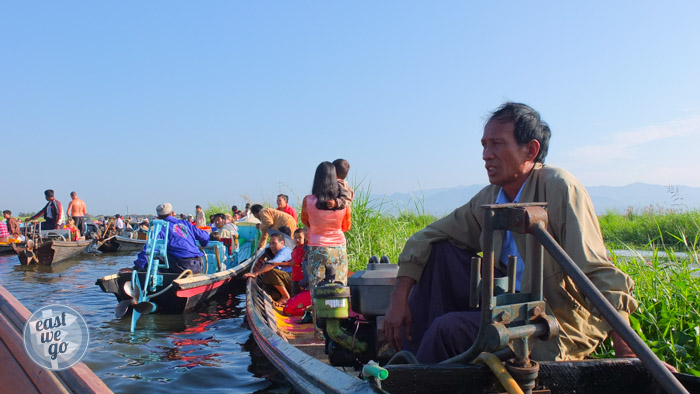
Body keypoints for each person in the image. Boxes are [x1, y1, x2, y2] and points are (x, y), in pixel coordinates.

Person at [383, 102, 639, 364]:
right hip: (505, 310)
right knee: (441, 251)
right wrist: (398, 300)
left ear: (531, 149)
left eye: (497, 144)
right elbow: (425, 237)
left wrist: (627, 351)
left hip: (552, 323)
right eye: (484, 145)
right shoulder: (491, 197)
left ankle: (421, 374)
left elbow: (595, 270)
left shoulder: (561, 188)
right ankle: (411, 356)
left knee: (447, 329)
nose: (486, 155)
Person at [301, 161, 352, 290]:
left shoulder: (308, 200)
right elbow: (346, 227)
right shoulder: (343, 205)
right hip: (338, 248)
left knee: (317, 287)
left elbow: (305, 221)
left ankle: (318, 310)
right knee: (339, 286)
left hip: (317, 248)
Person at [131, 203, 210, 274]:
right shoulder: (186, 223)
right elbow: (205, 236)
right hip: (198, 264)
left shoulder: (161, 228)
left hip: (183, 266)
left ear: (158, 217)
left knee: (153, 257)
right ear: (172, 213)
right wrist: (203, 244)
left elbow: (149, 248)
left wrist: (137, 267)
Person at [243, 232, 293, 305]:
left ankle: (285, 296)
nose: (271, 246)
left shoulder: (284, 251)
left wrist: (255, 273)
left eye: (274, 243)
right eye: (270, 244)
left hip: (292, 279)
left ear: (282, 243)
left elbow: (271, 264)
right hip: (287, 279)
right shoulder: (278, 252)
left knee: (270, 271)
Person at [290, 228, 308, 296]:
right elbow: (292, 260)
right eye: (295, 238)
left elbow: (303, 259)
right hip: (294, 277)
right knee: (294, 294)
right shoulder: (294, 249)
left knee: (301, 295)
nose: (297, 239)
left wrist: (295, 261)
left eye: (300, 237)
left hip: (302, 277)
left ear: (304, 238)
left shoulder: (304, 249)